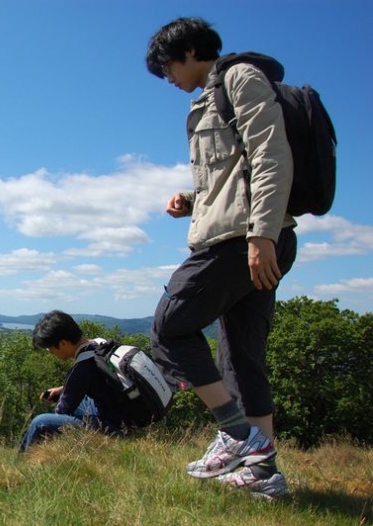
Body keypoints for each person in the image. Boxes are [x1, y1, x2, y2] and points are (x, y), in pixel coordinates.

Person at [145, 17, 297, 500]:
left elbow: (272, 155)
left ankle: (237, 438)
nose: (167, 77)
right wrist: (191, 200)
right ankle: (264, 475)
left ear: (189, 51)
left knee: (169, 326)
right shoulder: (211, 98)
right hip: (247, 236)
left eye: (166, 65)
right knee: (242, 360)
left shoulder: (239, 78)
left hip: (243, 241)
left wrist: (262, 235)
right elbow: (234, 174)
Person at [19, 310, 126, 453]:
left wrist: (65, 396)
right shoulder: (101, 344)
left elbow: (62, 412)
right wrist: (64, 390)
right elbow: (98, 381)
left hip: (112, 428)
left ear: (63, 343)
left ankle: (21, 464)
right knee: (80, 401)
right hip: (125, 414)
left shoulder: (81, 369)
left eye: (49, 348)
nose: (50, 352)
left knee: (40, 423)